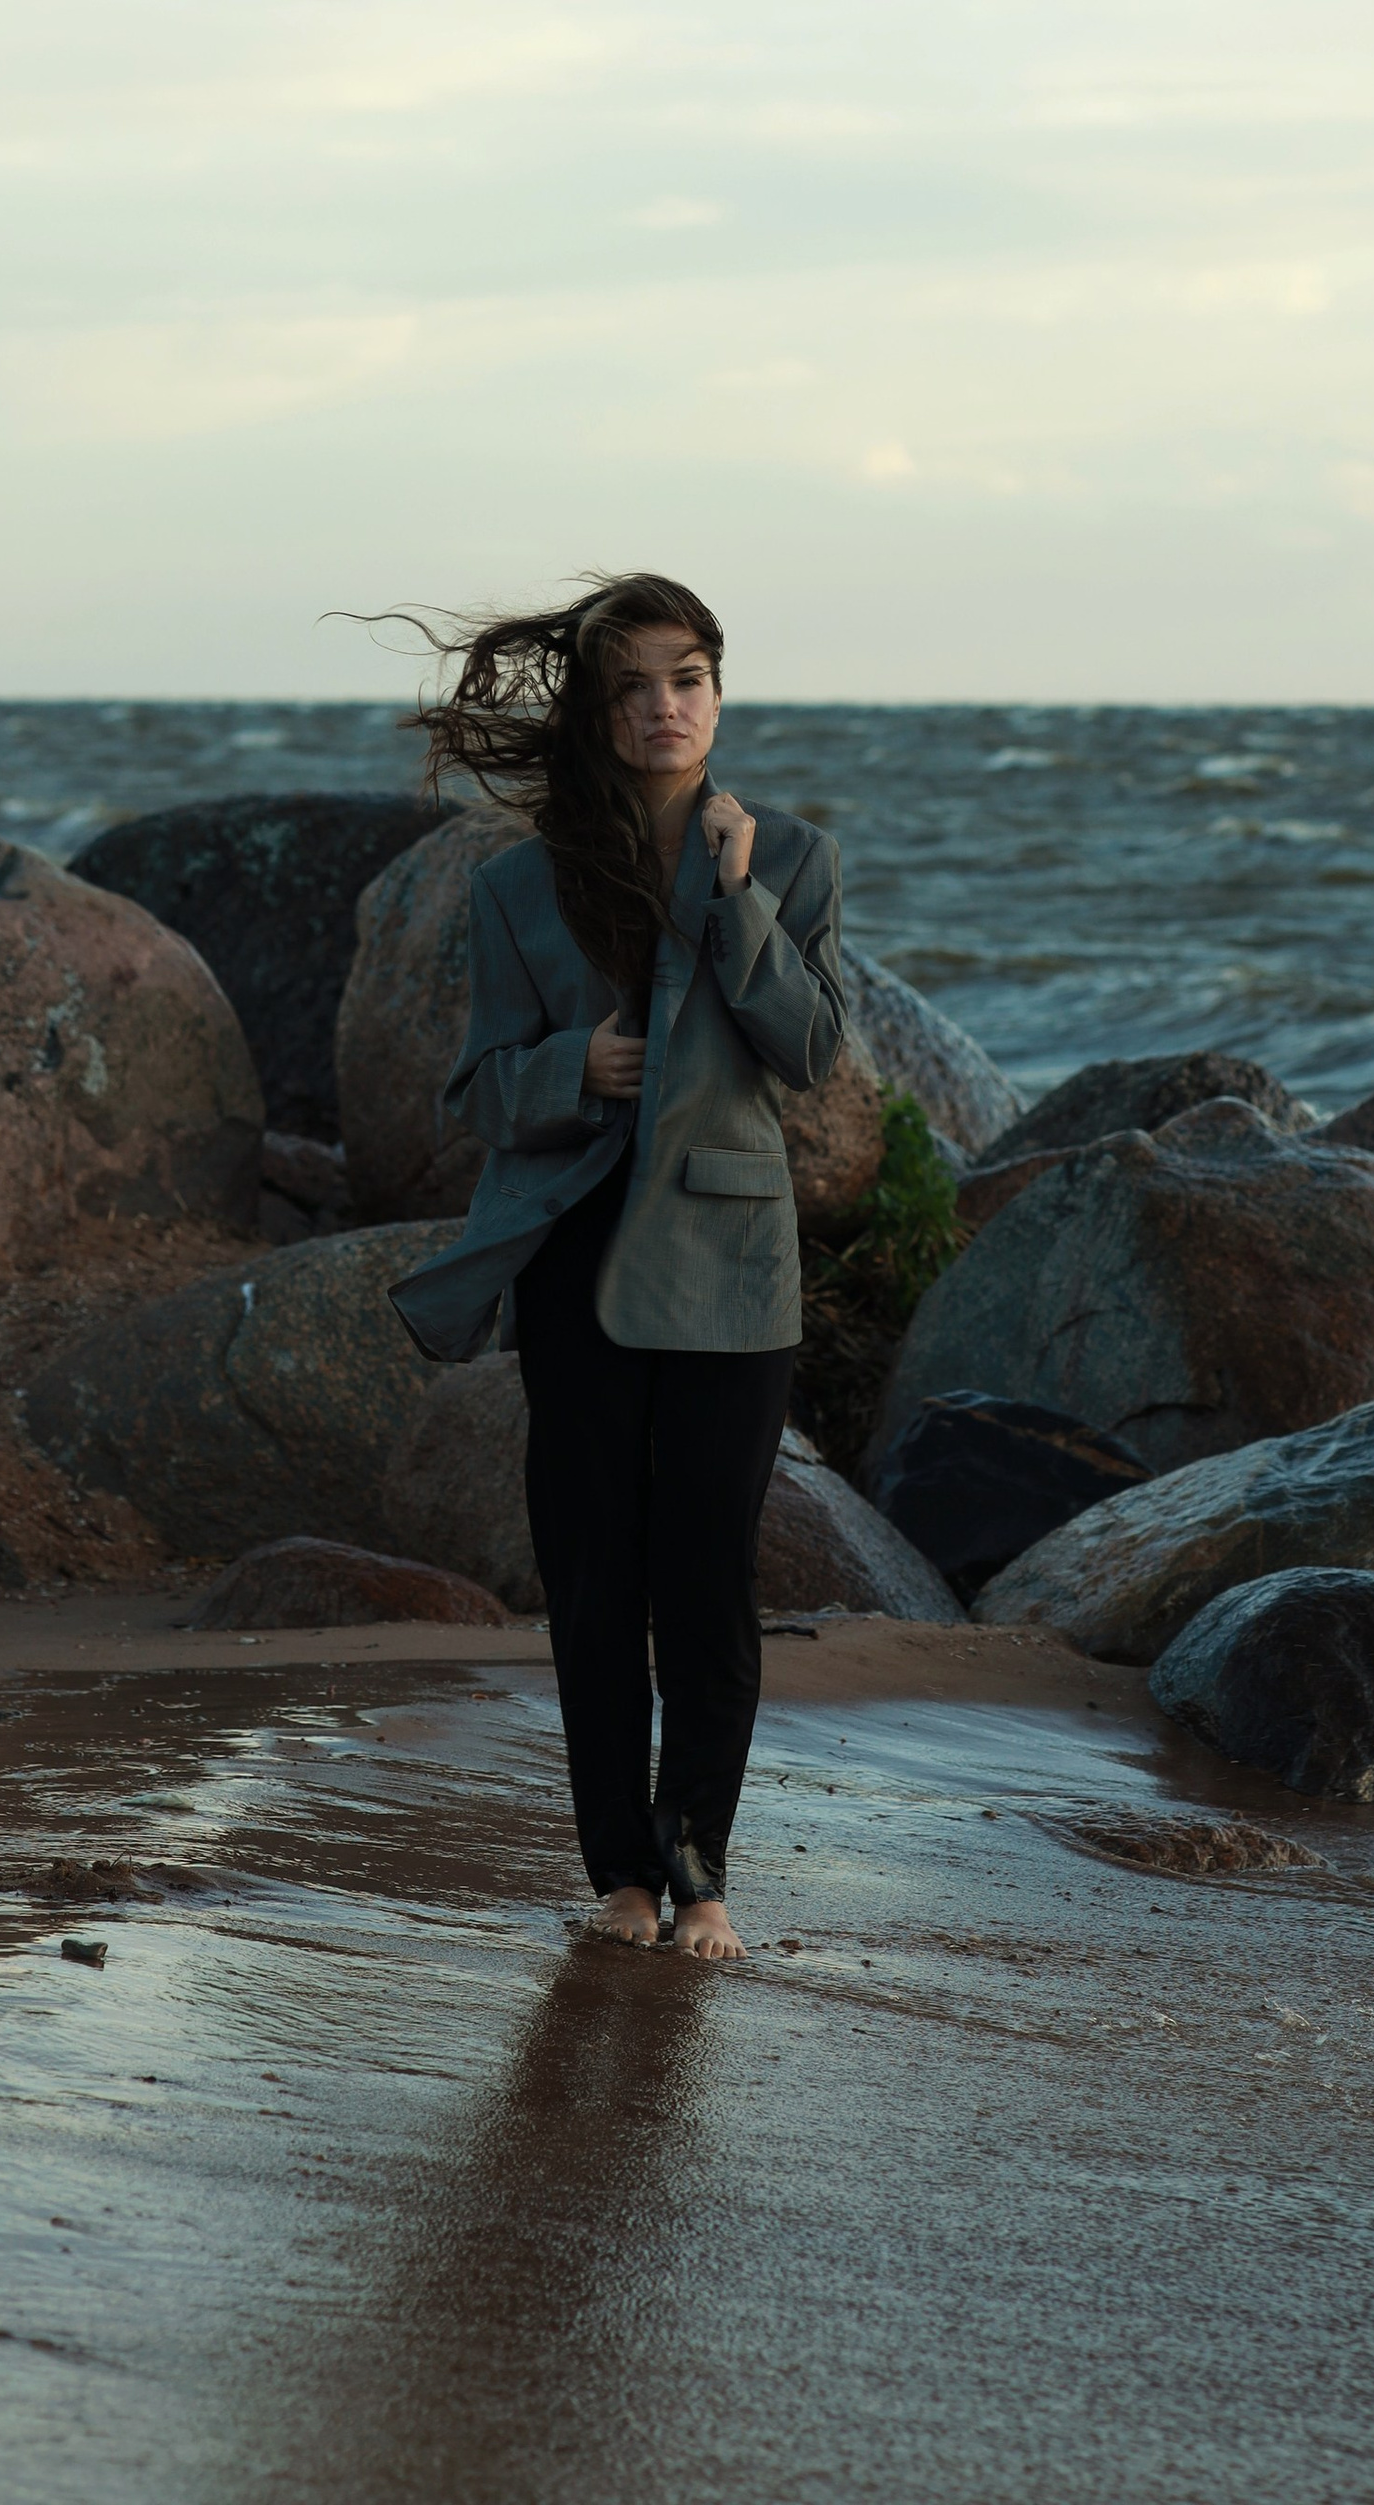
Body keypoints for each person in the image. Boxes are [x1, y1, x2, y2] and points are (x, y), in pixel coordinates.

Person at [386, 572, 845, 1962]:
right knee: (595, 1576)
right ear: (598, 706)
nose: (665, 706)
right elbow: (475, 1088)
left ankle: (700, 1868)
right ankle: (621, 1871)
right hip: (580, 1256)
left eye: (689, 677)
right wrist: (564, 1066)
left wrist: (730, 895)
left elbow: (812, 1053)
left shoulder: (790, 858)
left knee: (706, 1578)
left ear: (719, 690)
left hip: (730, 1254)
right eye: (636, 684)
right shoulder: (519, 882)